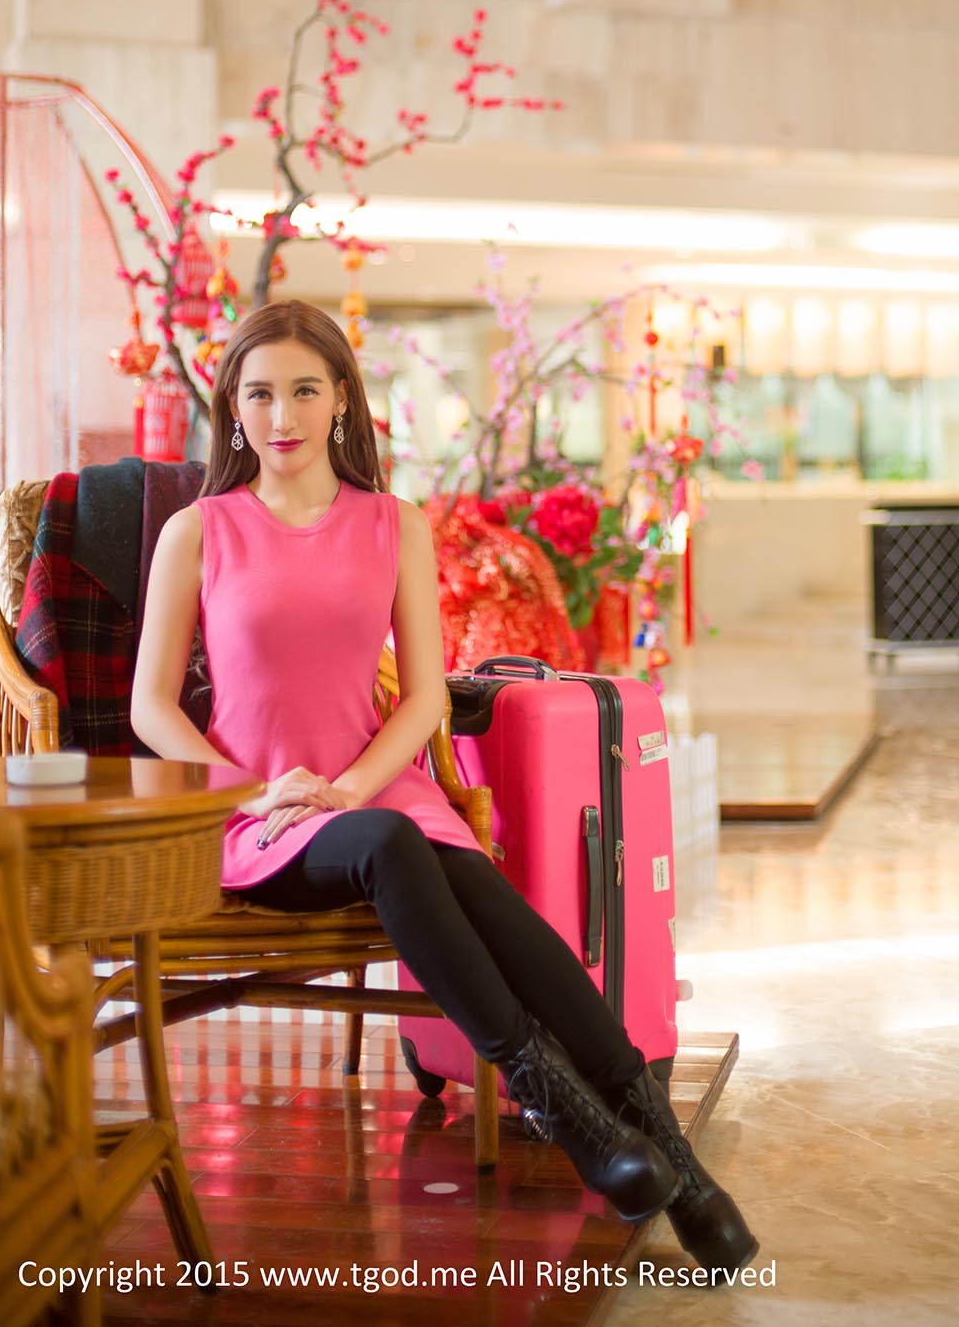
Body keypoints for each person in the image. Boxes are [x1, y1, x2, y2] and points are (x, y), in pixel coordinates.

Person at [131, 299, 755, 1276]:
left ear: (343, 398)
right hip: (254, 816)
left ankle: (675, 1166)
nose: (282, 414)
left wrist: (352, 786)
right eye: (259, 394)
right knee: (394, 845)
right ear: (234, 409)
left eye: (305, 389)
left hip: (379, 792)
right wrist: (251, 792)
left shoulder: (394, 525)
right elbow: (150, 707)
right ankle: (574, 1118)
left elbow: (424, 696)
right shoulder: (199, 532)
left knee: (472, 884)